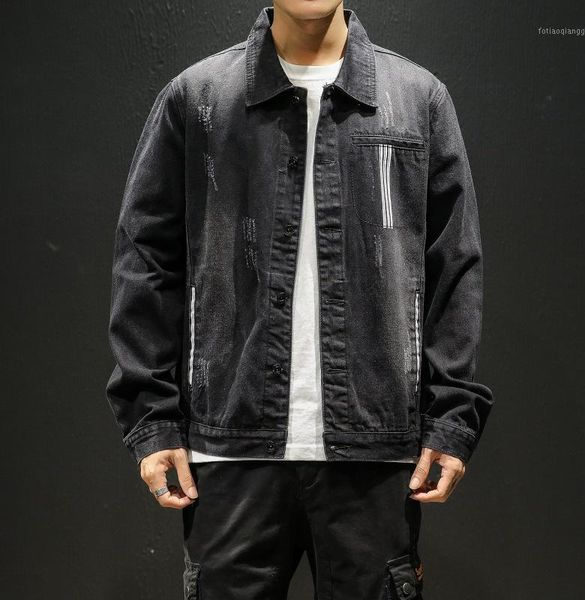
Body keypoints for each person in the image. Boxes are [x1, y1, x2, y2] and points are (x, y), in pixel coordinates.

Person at [106, 2, 494, 598]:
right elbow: (146, 260)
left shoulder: (417, 99)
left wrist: (451, 418)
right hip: (229, 445)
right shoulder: (199, 98)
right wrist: (152, 421)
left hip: (375, 448)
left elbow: (453, 267)